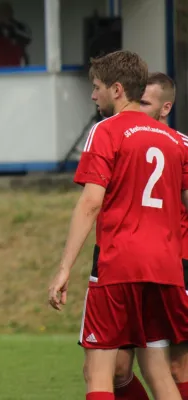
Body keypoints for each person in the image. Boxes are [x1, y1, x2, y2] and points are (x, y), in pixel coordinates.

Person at [48, 51, 188, 400]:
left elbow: (91, 202)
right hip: (167, 269)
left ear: (116, 89)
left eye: (96, 88)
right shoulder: (173, 141)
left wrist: (64, 268)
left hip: (119, 264)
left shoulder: (106, 131)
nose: (93, 96)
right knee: (158, 370)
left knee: (99, 372)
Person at [113, 72, 188, 400]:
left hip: (178, 264)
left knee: (174, 367)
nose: (136, 108)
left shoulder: (182, 146)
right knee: (117, 368)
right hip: (132, 264)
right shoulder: (123, 142)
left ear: (165, 107)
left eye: (145, 102)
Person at [0, 1, 32, 67]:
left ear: (11, 12)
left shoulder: (19, 26)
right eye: (1, 11)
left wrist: (11, 27)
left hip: (18, 65)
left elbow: (28, 39)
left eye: (6, 11)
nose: (4, 14)